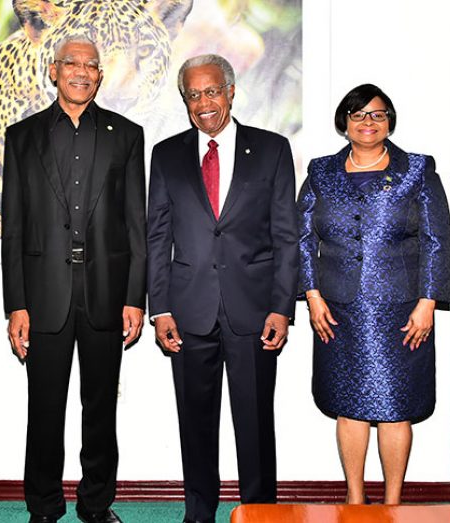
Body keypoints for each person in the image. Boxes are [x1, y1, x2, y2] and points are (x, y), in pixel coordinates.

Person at [1, 33, 146, 523]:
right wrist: (15, 304)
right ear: (54, 70)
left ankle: (95, 503)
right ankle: (42, 506)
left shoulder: (127, 135)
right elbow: (14, 228)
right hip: (43, 295)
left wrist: (135, 296)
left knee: (100, 409)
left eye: (91, 65)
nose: (82, 71)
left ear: (100, 75)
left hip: (106, 291)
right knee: (43, 410)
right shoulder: (22, 138)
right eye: (72, 63)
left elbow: (136, 224)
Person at [147, 54, 298, 523]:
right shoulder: (166, 154)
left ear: (231, 91)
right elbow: (157, 236)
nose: (203, 102)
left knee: (254, 425)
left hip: (254, 311)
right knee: (195, 422)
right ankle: (199, 512)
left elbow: (286, 236)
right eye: (193, 94)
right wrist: (160, 308)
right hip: (189, 311)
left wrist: (281, 307)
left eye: (211, 91)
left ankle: (259, 512)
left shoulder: (272, 149)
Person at [298, 84, 450, 504]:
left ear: (390, 122)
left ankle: (393, 503)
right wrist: (312, 296)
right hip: (337, 310)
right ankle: (354, 499)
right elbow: (302, 239)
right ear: (344, 122)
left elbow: (437, 239)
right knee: (349, 405)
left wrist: (428, 303)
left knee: (395, 407)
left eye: (378, 114)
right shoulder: (320, 171)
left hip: (402, 312)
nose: (368, 122)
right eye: (358, 114)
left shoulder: (417, 170)